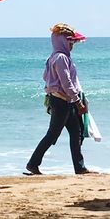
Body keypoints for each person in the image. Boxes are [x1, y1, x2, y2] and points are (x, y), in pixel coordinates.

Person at [26, 23, 92, 175]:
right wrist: (77, 101)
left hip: (63, 101)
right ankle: (33, 163)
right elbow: (66, 82)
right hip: (62, 101)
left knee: (76, 133)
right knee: (53, 134)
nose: (72, 45)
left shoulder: (54, 57)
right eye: (70, 42)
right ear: (63, 41)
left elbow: (46, 77)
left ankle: (79, 167)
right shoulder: (61, 58)